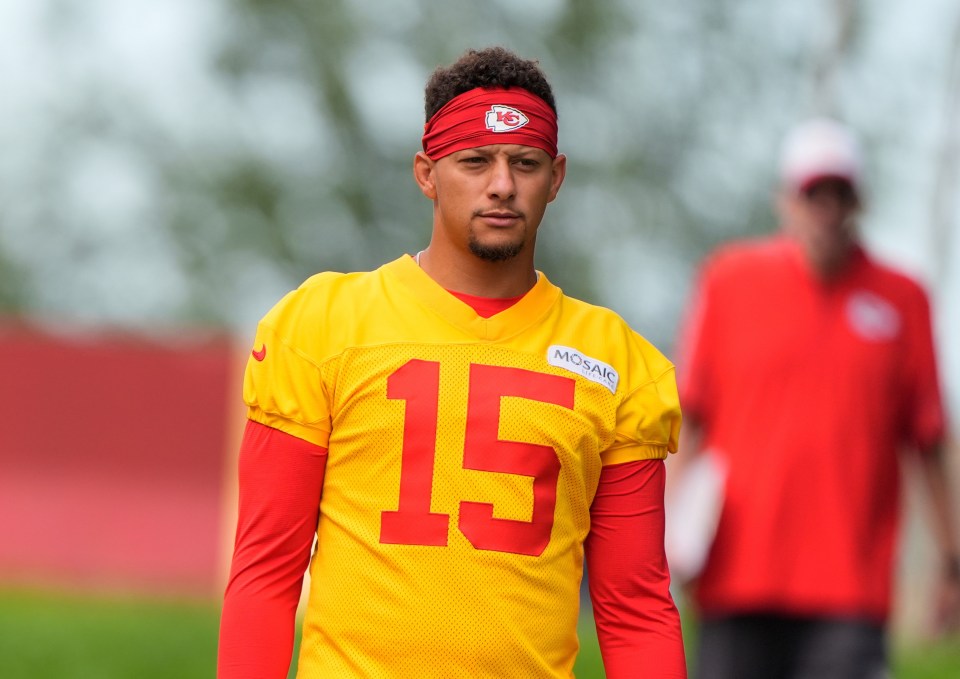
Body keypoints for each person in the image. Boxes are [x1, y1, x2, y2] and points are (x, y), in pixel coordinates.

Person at [217, 46, 687, 679]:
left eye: (526, 163)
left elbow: (636, 609)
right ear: (426, 173)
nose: (502, 184)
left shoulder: (616, 360)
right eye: (475, 161)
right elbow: (266, 573)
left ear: (557, 176)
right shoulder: (324, 323)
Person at [672, 116, 960, 679]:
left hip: (850, 590)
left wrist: (951, 563)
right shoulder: (728, 282)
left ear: (860, 200)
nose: (826, 209)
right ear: (786, 200)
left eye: (840, 193)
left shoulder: (903, 300)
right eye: (813, 193)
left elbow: (929, 442)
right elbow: (689, 422)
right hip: (736, 580)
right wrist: (667, 539)